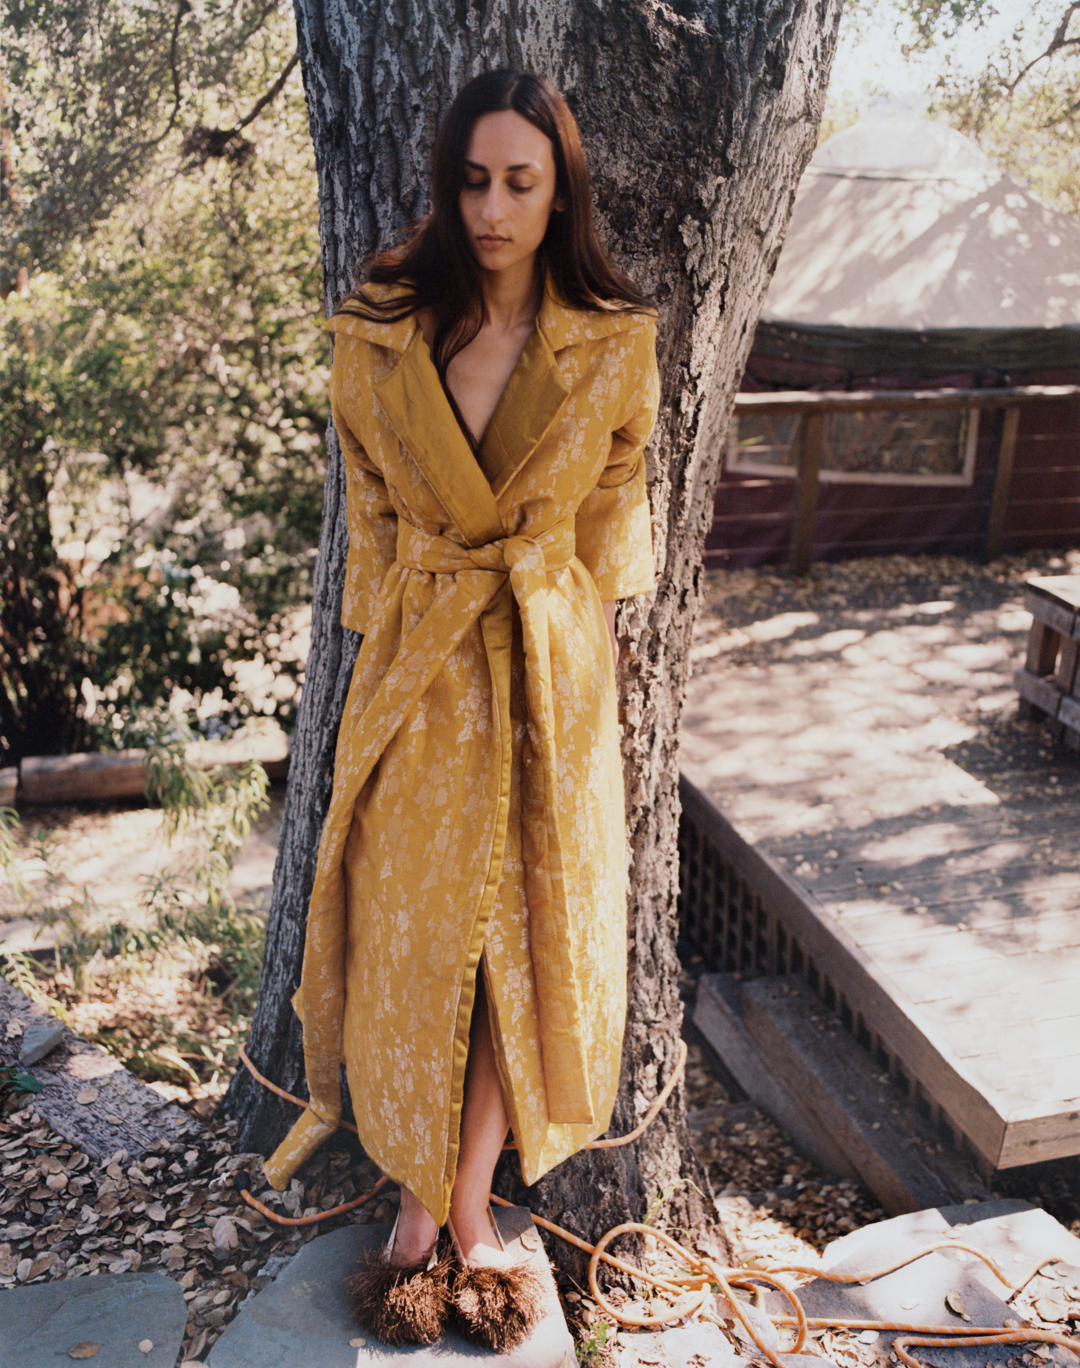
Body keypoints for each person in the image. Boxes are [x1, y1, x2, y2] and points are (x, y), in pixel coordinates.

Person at [261, 68, 660, 1352]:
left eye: (519, 183)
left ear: (560, 195)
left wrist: (581, 693)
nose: (492, 209)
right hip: (421, 672)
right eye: (473, 181)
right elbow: (371, 516)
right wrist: (385, 641)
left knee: (516, 958)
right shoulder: (381, 334)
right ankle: (418, 1201)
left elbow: (611, 534)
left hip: (546, 678)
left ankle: (469, 1211)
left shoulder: (612, 343)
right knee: (418, 941)